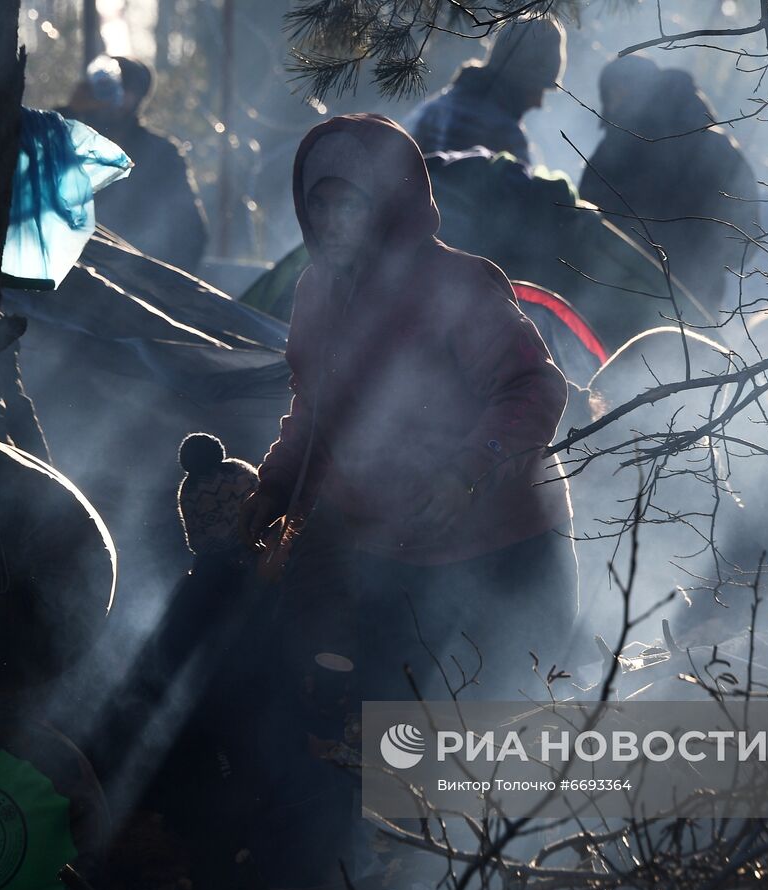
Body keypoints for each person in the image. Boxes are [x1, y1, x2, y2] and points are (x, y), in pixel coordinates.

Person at [239, 114, 579, 711]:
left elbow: (535, 387)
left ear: (390, 204)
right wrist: (274, 489)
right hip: (390, 557)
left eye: (350, 206)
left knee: (492, 746)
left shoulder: (456, 284)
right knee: (379, 744)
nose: (330, 224)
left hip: (498, 558)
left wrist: (464, 472)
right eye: (319, 206)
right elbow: (315, 411)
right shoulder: (318, 291)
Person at [579, 57, 760, 310]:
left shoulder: (615, 152)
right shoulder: (719, 149)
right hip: (691, 314)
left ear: (617, 91)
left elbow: (583, 226)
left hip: (615, 308)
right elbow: (746, 240)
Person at [62, 56, 209, 273]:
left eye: (116, 88)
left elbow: (192, 233)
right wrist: (70, 111)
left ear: (134, 97)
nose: (105, 98)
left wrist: (161, 283)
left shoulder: (161, 155)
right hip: (74, 279)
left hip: (136, 283)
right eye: (100, 88)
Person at [403, 15, 566, 164]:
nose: (539, 104)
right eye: (538, 89)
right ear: (520, 82)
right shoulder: (506, 138)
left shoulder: (429, 112)